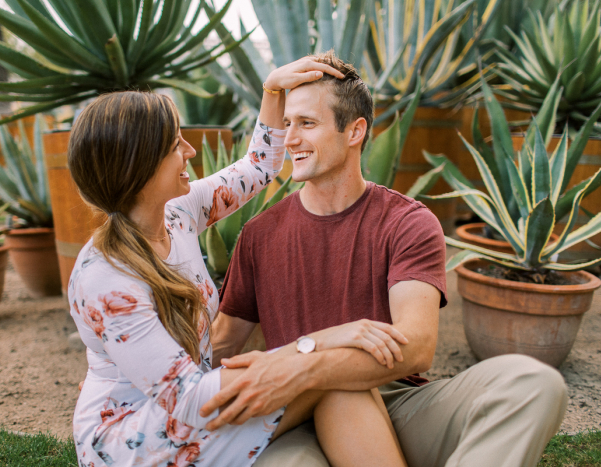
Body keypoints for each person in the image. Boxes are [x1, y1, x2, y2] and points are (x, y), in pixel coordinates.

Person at [206, 51, 569, 467]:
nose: (289, 139)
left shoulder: (407, 222)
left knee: (533, 382)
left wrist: (311, 362)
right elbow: (223, 345)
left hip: (402, 403)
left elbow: (415, 347)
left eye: (307, 123)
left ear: (355, 131)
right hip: (302, 414)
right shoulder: (259, 235)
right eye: (287, 124)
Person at [66, 58, 412, 467]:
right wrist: (320, 341)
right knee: (324, 374)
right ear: (140, 166)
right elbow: (189, 397)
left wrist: (272, 90)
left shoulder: (176, 213)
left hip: (193, 400)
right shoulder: (105, 280)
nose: (190, 151)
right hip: (137, 435)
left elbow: (259, 167)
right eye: (176, 145)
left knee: (331, 379)